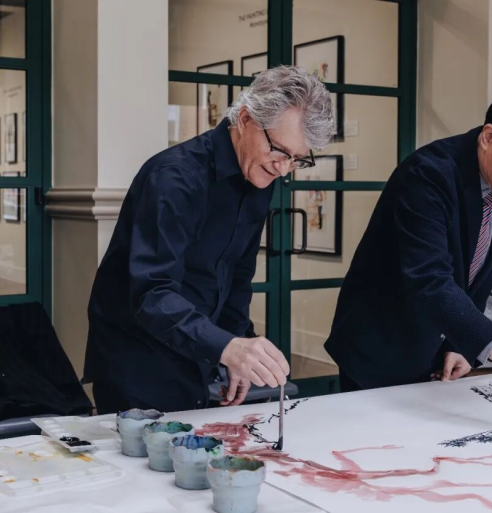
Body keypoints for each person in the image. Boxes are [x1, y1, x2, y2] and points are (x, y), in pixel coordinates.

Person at [85, 66, 335, 413]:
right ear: (245, 119)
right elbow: (151, 292)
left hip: (197, 348)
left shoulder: (260, 177)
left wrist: (237, 341)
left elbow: (237, 275)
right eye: (279, 150)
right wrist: (226, 347)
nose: (283, 169)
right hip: (138, 356)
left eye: (297, 159)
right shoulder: (174, 178)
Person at [324, 86, 492, 391]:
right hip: (381, 344)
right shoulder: (428, 175)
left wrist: (461, 343)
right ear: (488, 137)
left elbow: (481, 269)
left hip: (434, 346)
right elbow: (429, 278)